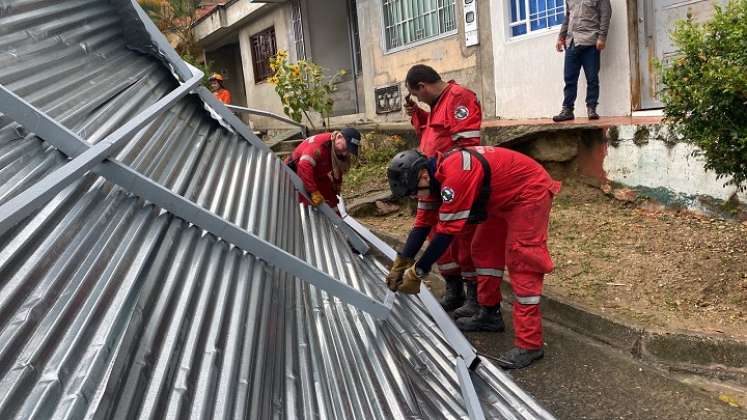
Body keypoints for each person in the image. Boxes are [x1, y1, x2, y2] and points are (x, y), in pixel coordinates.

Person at [386, 146, 561, 369]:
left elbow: (447, 232)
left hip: (527, 193)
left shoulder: (455, 175)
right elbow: (422, 225)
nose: (414, 197)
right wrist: (401, 261)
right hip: (499, 199)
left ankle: (530, 344)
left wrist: (418, 271)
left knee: (522, 259)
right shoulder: (429, 180)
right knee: (483, 250)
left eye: (413, 192)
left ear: (422, 175)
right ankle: (490, 314)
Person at [388, 64, 483, 314]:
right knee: (433, 235)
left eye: (417, 94)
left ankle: (474, 298)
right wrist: (418, 114)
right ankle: (454, 291)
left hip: (451, 180)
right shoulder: (437, 104)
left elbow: (468, 147)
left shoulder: (458, 97)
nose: (418, 99)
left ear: (423, 86)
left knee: (461, 239)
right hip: (430, 179)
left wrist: (445, 175)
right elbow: (431, 135)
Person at [553, 0, 612, 122]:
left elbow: (606, 14)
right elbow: (567, 17)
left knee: (592, 78)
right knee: (569, 79)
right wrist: (561, 37)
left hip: (590, 41)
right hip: (572, 42)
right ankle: (567, 110)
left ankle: (591, 108)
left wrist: (602, 37)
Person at [286, 128, 361, 209]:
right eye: (345, 148)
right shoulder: (319, 146)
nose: (345, 153)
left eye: (348, 150)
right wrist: (313, 192)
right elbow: (304, 165)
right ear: (339, 137)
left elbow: (337, 167)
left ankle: (336, 220)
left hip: (316, 174)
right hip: (294, 175)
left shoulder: (335, 148)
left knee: (330, 197)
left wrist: (337, 184)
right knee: (308, 203)